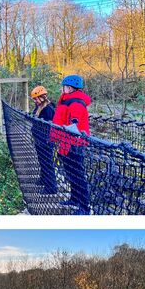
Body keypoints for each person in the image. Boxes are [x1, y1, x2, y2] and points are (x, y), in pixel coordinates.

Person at [52, 74, 93, 214]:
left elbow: (74, 122)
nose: (62, 89)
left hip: (73, 144)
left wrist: (72, 124)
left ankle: (84, 207)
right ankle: (75, 198)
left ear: (69, 88)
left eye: (63, 86)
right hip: (65, 142)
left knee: (77, 175)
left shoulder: (75, 102)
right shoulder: (66, 100)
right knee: (70, 173)